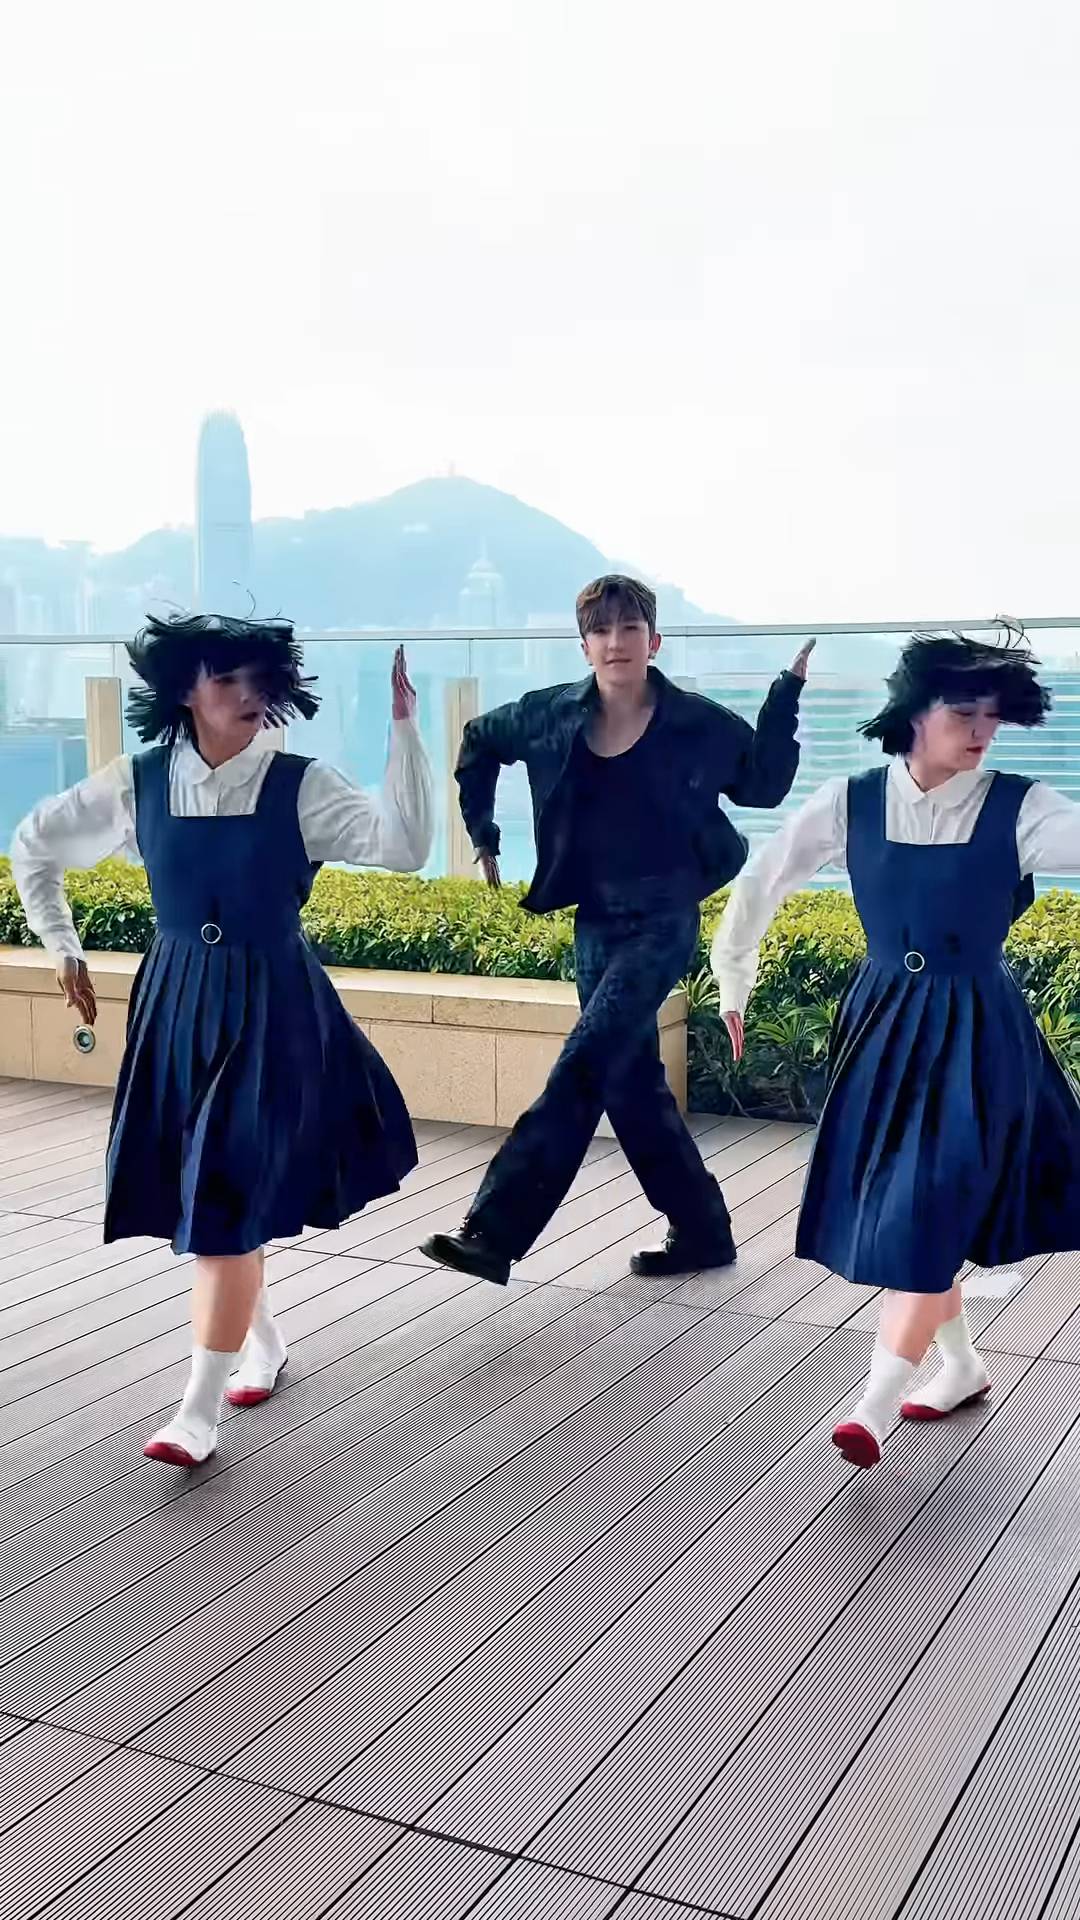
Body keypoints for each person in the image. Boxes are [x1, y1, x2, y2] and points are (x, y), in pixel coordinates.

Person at [10, 614, 433, 1468]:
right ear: (184, 691)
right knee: (211, 1192)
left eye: (257, 679)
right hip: (175, 1001)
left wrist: (403, 727)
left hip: (273, 1007)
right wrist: (62, 946)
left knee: (224, 1197)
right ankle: (262, 1344)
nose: (247, 695)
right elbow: (32, 845)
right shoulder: (135, 783)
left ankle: (196, 1412)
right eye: (225, 678)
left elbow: (406, 847)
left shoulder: (301, 786)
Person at [711, 628, 1080, 1470]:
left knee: (927, 1199)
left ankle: (873, 1405)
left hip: (978, 1031)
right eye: (963, 712)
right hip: (882, 1023)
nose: (981, 730)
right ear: (914, 712)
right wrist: (734, 977)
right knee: (918, 1208)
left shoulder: (1023, 807)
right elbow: (764, 878)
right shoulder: (850, 801)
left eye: (992, 715)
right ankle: (962, 1366)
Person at [421, 574, 813, 1287]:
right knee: (629, 1083)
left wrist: (784, 697)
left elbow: (763, 786)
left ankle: (493, 1232)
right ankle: (702, 1230)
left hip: (663, 916)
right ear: (584, 646)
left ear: (652, 641)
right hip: (594, 920)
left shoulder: (693, 722)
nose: (615, 642)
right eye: (600, 631)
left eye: (629, 628)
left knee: (584, 1060)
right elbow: (478, 741)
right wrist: (483, 831)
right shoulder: (550, 715)